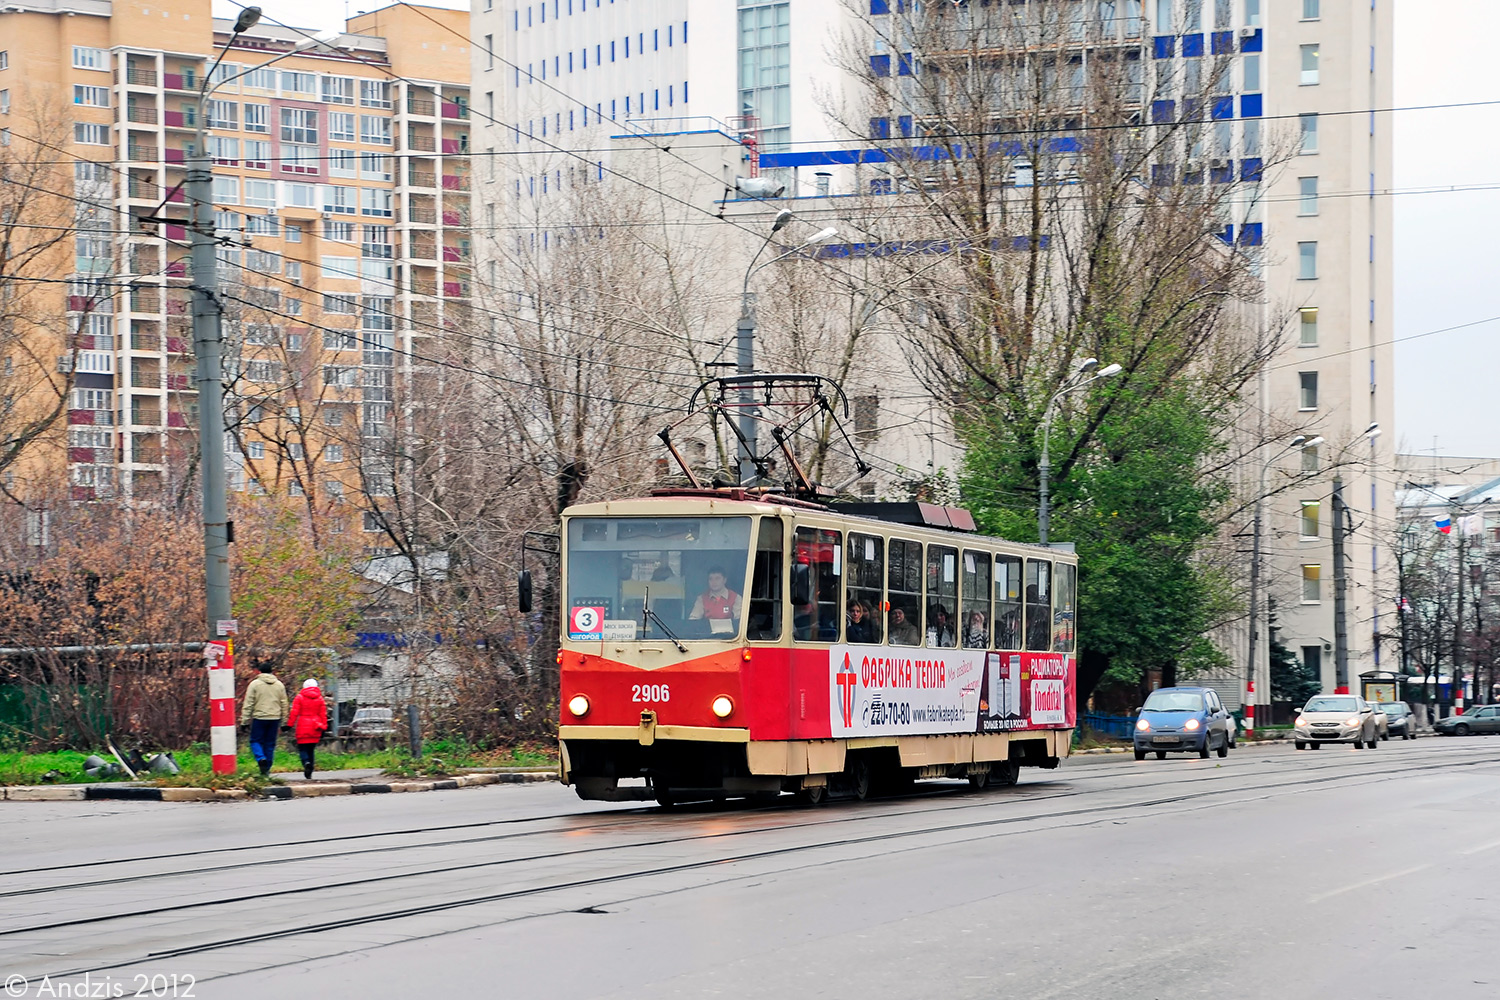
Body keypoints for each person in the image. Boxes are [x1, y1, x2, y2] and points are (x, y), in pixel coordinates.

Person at [239, 662, 289, 777]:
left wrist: (244, 721)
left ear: (259, 671)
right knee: (270, 744)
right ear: (272, 671)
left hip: (259, 717)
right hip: (274, 718)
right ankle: (266, 769)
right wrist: (284, 722)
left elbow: (249, 704)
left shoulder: (254, 684)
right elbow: (284, 704)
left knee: (255, 741)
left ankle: (261, 758)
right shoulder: (279, 685)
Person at [287, 679, 329, 779]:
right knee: (311, 749)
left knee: (302, 748)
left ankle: (306, 762)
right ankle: (310, 770)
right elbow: (323, 714)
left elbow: (294, 713)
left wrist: (289, 725)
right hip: (315, 726)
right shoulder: (320, 699)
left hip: (302, 725)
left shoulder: (299, 697)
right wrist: (324, 727)